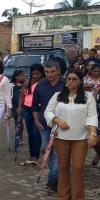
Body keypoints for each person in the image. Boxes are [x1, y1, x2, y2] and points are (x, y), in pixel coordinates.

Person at [44, 69, 98, 200]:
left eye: (74, 79)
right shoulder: (58, 96)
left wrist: (92, 134)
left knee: (78, 168)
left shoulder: (88, 97)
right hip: (61, 137)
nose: (71, 82)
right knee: (62, 168)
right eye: (69, 79)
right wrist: (57, 120)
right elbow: (48, 112)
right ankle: (63, 198)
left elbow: (92, 116)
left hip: (80, 137)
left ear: (80, 81)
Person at [32, 59, 66, 192]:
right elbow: (35, 106)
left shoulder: (66, 84)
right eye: (47, 72)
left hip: (62, 123)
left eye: (52, 72)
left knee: (58, 152)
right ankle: (54, 177)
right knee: (49, 152)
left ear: (58, 71)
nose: (49, 74)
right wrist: (36, 120)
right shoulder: (40, 86)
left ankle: (53, 178)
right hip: (44, 123)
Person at [17, 64, 45, 165]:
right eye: (33, 74)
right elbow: (22, 96)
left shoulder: (44, 83)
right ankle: (31, 154)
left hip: (39, 110)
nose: (35, 76)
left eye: (37, 74)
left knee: (36, 133)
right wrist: (20, 107)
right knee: (30, 133)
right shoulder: (27, 82)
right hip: (27, 109)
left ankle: (35, 156)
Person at [10, 69, 26, 145]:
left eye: (24, 76)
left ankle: (20, 137)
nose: (23, 77)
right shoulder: (12, 85)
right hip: (14, 105)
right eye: (21, 76)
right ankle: (17, 134)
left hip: (23, 105)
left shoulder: (25, 85)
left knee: (20, 120)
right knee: (16, 120)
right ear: (16, 77)